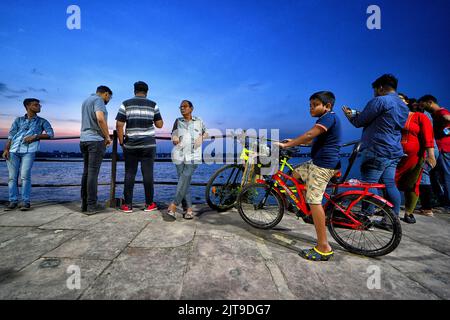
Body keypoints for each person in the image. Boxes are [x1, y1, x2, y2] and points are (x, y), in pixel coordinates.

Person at [278, 91, 341, 261]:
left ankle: (323, 247)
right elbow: (313, 140)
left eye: (315, 105)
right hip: (316, 163)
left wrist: (288, 145)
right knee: (295, 173)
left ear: (327, 106)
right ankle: (304, 209)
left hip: (322, 166)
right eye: (310, 105)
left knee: (315, 200)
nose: (311, 108)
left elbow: (309, 134)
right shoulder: (326, 120)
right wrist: (294, 140)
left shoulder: (329, 117)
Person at [343, 74, 409, 224]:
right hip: (394, 149)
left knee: (369, 183)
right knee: (390, 184)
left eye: (374, 90)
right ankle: (391, 220)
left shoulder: (379, 101)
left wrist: (349, 116)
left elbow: (359, 122)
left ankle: (366, 216)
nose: (373, 93)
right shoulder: (403, 105)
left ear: (380, 88)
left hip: (377, 149)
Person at [116, 81, 163, 213]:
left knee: (129, 173)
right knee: (148, 174)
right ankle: (149, 204)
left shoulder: (126, 103)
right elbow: (159, 125)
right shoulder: (153, 104)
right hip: (148, 145)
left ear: (134, 90)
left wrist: (121, 142)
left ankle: (128, 205)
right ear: (147, 91)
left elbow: (119, 125)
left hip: (131, 144)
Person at [2, 98, 54, 211]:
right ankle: (13, 201)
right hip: (13, 151)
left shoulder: (42, 121)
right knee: (12, 177)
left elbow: (51, 134)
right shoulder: (18, 120)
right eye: (36, 105)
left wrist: (35, 136)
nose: (39, 107)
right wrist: (6, 149)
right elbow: (11, 136)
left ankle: (25, 202)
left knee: (25, 176)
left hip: (29, 151)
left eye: (39, 105)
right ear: (28, 106)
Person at [395, 97, 436, 223]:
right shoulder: (396, 116)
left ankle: (408, 213)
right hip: (396, 155)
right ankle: (390, 210)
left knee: (412, 184)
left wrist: (431, 155)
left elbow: (428, 136)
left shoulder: (420, 117)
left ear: (407, 102)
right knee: (391, 181)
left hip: (415, 156)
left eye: (401, 98)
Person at [166, 100, 207, 221]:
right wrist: (174, 137)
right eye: (180, 107)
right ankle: (189, 209)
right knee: (184, 181)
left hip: (194, 155)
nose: (182, 108)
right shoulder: (177, 121)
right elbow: (173, 133)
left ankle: (173, 205)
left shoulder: (199, 121)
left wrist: (201, 137)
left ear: (191, 108)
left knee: (185, 177)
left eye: (185, 106)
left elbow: (206, 132)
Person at [80, 86, 113, 215]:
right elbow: (100, 118)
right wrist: (107, 137)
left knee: (86, 172)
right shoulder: (99, 100)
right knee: (93, 173)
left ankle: (85, 204)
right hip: (95, 140)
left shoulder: (86, 100)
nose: (108, 100)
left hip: (84, 140)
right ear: (105, 94)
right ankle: (91, 205)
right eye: (109, 97)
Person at [418, 95, 450, 210]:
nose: (422, 107)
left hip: (445, 148)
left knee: (445, 175)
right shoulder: (434, 115)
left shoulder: (441, 111)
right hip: (439, 149)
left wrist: (446, 131)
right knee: (433, 175)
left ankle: (447, 204)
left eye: (423, 104)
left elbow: (448, 118)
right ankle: (441, 200)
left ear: (430, 102)